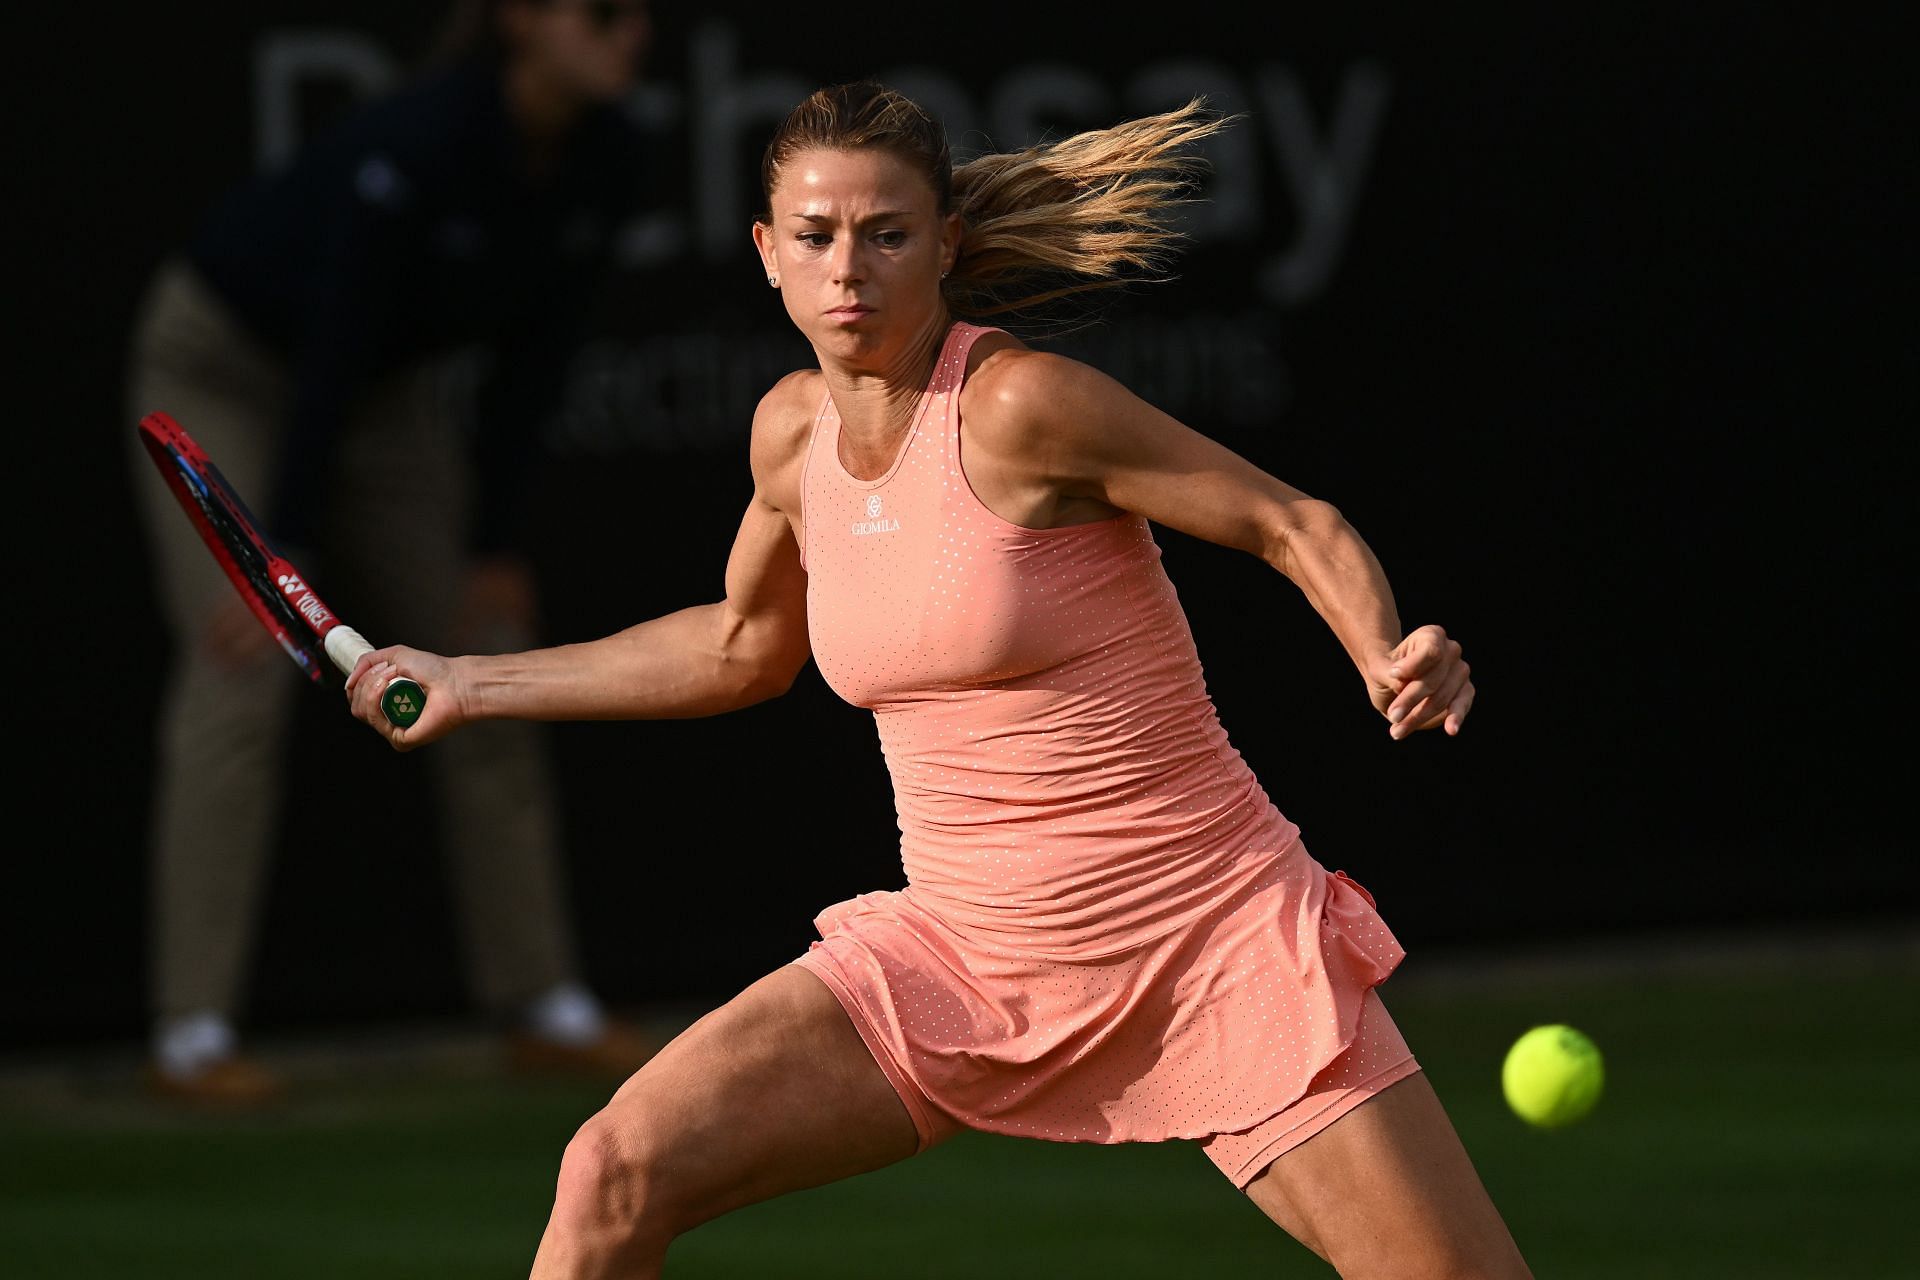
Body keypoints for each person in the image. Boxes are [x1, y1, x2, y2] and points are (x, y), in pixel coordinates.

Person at [346, 80, 1529, 1278]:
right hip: (961, 961)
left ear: (947, 242)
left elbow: (1290, 520)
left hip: (1207, 943)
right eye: (815, 236)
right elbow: (739, 648)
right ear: (767, 252)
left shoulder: (1022, 408)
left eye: (888, 233)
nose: (848, 269)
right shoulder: (790, 437)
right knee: (612, 1169)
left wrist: (1385, 645)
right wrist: (468, 680)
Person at [125, 0, 665, 1105]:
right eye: (598, 12)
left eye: (635, 13)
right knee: (244, 668)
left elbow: (537, 362)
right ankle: (192, 1029)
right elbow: (333, 335)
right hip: (222, 368)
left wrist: (493, 542)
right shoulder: (417, 139)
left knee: (489, 657)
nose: (628, 33)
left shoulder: (609, 156)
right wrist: (282, 551)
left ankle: (541, 1000)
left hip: (379, 400)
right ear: (521, 20)